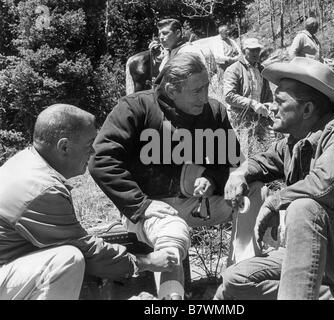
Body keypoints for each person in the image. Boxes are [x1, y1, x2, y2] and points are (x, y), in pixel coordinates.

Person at [89, 53, 268, 300]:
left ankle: (238, 282)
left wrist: (213, 179)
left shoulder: (213, 112)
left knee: (254, 190)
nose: (205, 97)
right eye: (197, 91)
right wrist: (141, 204)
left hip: (199, 203)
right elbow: (101, 160)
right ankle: (170, 299)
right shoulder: (135, 108)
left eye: (206, 87)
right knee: (173, 233)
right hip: (151, 210)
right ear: (172, 89)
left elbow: (234, 164)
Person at [215, 57, 334, 300]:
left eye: (279, 101)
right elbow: (261, 162)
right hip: (320, 256)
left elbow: (323, 186)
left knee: (304, 208)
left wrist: (275, 202)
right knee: (235, 281)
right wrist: (239, 173)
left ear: (307, 109)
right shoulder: (294, 142)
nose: (272, 107)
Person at [0, 104, 178, 300]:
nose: (93, 152)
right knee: (66, 260)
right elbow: (87, 250)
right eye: (89, 144)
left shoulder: (27, 162)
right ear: (64, 147)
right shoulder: (41, 189)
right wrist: (145, 261)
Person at [223, 38, 273, 154]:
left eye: (257, 50)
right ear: (244, 51)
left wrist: (269, 104)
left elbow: (268, 92)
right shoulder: (234, 69)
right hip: (242, 119)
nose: (256, 53)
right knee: (245, 151)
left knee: (263, 151)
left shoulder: (261, 69)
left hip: (260, 118)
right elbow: (229, 96)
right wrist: (252, 103)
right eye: (252, 50)